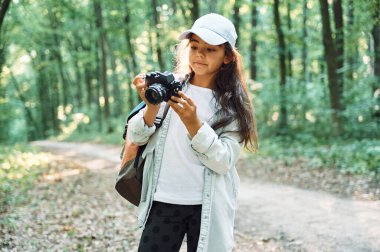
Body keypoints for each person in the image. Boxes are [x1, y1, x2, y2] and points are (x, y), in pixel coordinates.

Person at [128, 13, 258, 252]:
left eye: (210, 49)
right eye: (195, 46)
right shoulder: (170, 87)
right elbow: (136, 137)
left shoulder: (233, 105)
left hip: (207, 205)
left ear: (228, 56)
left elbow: (223, 162)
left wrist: (193, 124)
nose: (200, 54)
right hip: (163, 199)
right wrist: (151, 107)